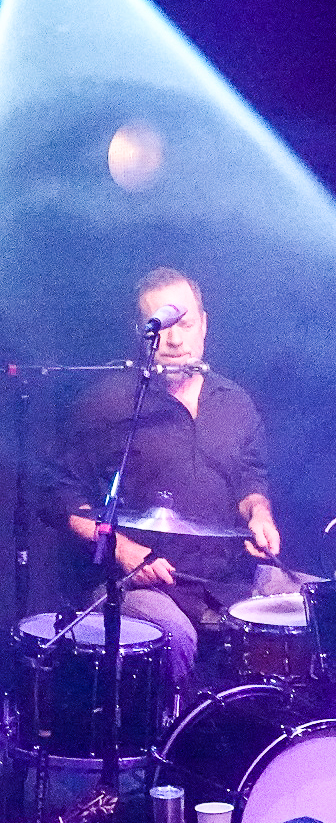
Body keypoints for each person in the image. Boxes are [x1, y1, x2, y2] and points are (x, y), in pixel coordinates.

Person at [42, 268, 294, 686]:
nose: (175, 340)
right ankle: (170, 747)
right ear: (141, 332)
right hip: (139, 584)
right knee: (171, 635)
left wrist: (260, 515)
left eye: (185, 324)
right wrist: (122, 550)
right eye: (162, 326)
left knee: (324, 603)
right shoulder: (108, 404)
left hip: (228, 580)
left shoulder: (234, 402)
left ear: (204, 325)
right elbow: (56, 493)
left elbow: (251, 481)